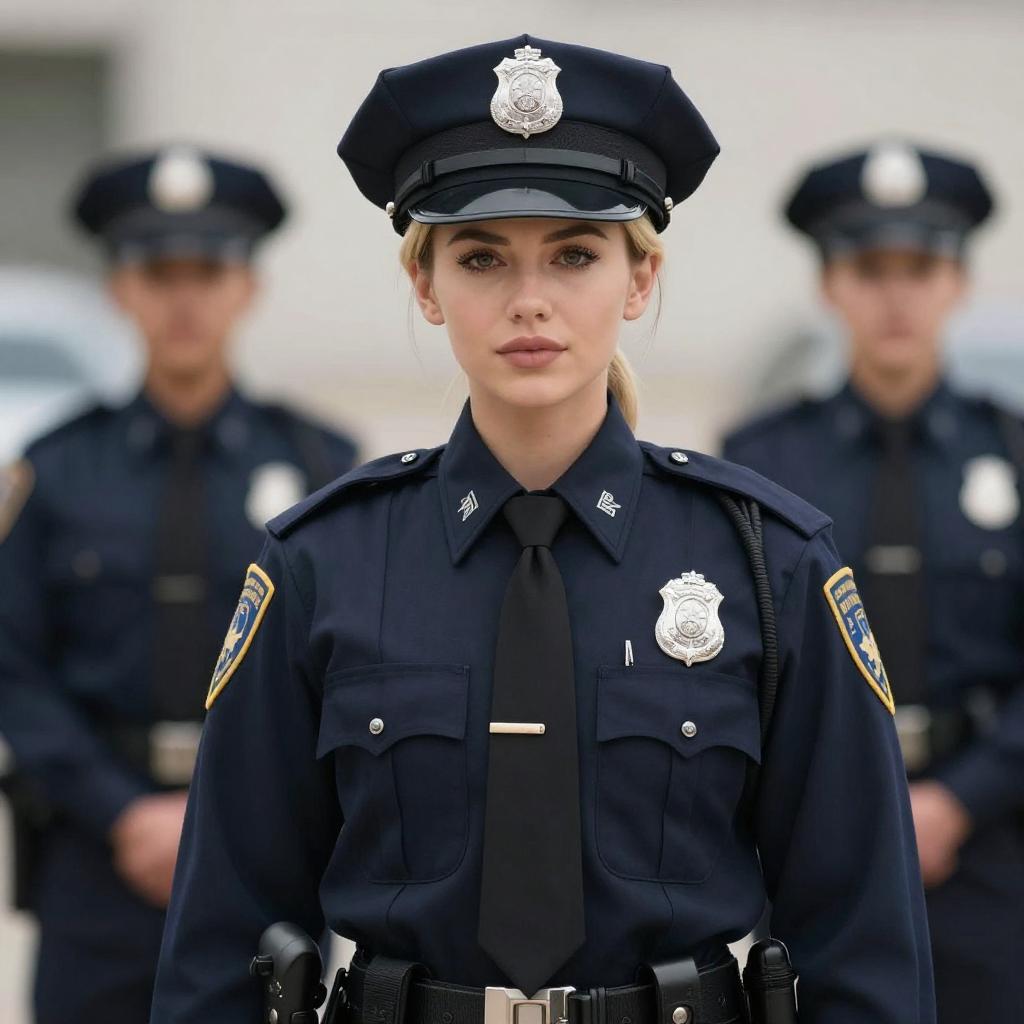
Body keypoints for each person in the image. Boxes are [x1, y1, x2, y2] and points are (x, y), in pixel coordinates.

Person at [151, 38, 933, 1024]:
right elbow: (226, 930)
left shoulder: (767, 563)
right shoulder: (324, 563)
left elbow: (862, 942)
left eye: (574, 253)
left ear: (639, 280)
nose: (530, 300)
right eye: (481, 257)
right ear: (426, 288)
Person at [0, 146, 358, 1024]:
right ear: (122, 291)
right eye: (160, 273)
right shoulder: (55, 471)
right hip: (97, 856)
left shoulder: (321, 464)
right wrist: (125, 816)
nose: (185, 298)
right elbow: (12, 665)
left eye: (210, 271)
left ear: (248, 289)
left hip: (263, 847)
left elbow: (349, 664)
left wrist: (217, 813)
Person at [723, 141, 1023, 1022]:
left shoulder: (1014, 449)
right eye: (868, 267)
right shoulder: (760, 460)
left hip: (993, 848)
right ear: (829, 285)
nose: (896, 295)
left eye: (920, 267)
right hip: (819, 841)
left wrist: (957, 803)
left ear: (958, 282)